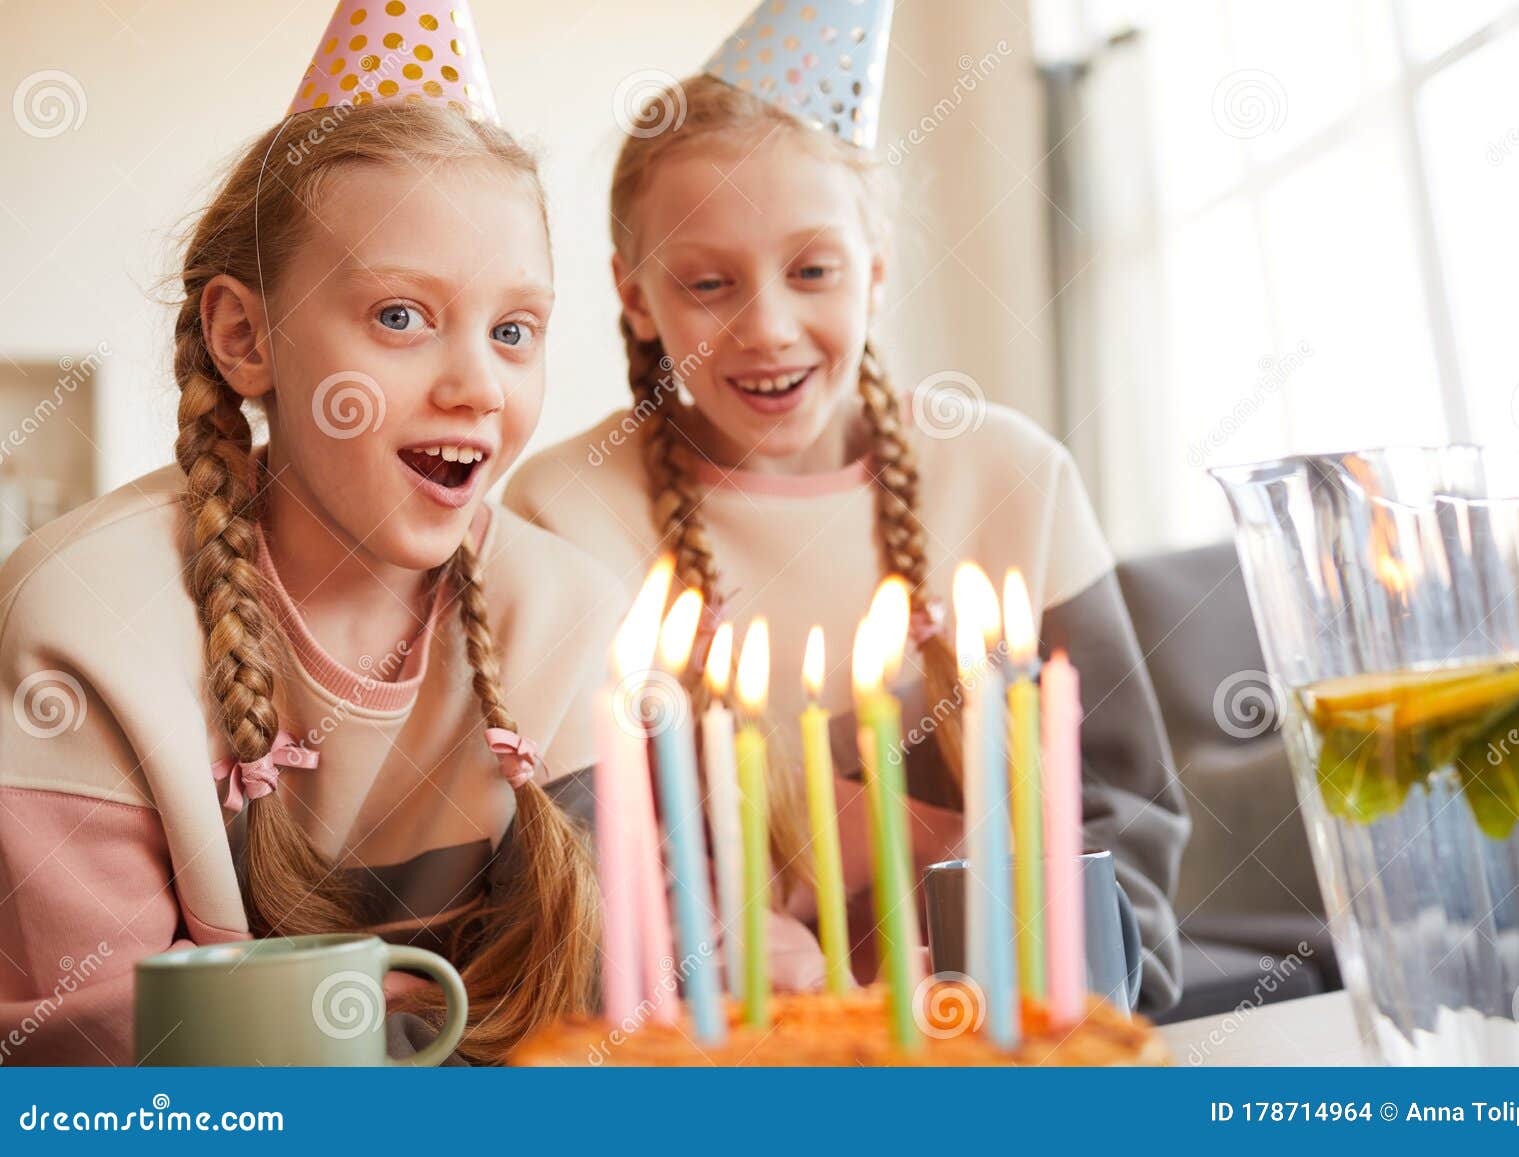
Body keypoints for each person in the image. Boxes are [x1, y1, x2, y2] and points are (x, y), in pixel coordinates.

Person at [503, 0, 1189, 1011]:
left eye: (812, 270)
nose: (767, 326)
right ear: (634, 294)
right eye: (706, 282)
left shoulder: (1010, 473)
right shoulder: (561, 511)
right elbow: (589, 852)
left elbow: (1116, 817)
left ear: (873, 265)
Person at [0, 1, 622, 1064]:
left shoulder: (565, 609)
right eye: (399, 316)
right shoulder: (81, 613)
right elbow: (76, 1070)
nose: (477, 384)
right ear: (245, 336)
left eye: (514, 329)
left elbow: (628, 1003)